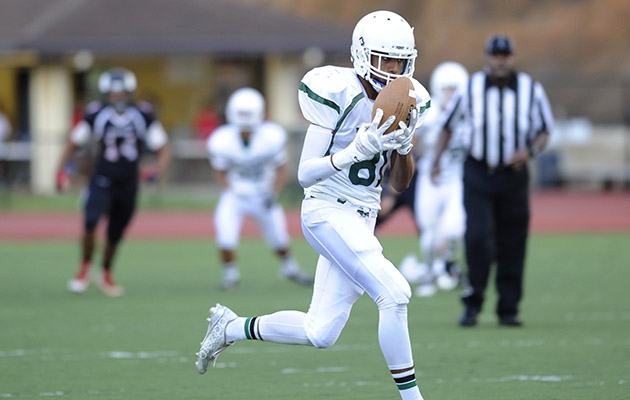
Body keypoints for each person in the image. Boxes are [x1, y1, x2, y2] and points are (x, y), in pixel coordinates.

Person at [194, 11, 431, 400]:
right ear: (360, 55)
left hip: (362, 217)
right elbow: (305, 174)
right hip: (326, 210)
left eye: (398, 61)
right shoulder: (336, 91)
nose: (391, 70)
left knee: (319, 332)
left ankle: (231, 327)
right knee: (395, 293)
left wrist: (404, 149)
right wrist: (355, 150)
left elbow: (401, 184)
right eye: (383, 59)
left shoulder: (409, 100)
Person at [431, 35, 554, 327]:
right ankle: (473, 300)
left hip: (513, 176)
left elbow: (545, 129)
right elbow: (447, 128)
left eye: (505, 55)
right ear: (487, 57)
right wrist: (436, 160)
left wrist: (530, 151)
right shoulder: (470, 88)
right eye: (495, 55)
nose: (500, 61)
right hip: (478, 172)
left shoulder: (530, 89)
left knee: (513, 240)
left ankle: (508, 308)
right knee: (476, 237)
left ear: (512, 58)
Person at [57, 67, 171, 297]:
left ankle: (106, 272)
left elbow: (163, 148)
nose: (118, 98)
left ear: (130, 93)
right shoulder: (96, 114)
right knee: (90, 221)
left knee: (115, 233)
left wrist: (157, 169)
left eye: (122, 94)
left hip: (128, 182)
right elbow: (73, 142)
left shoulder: (142, 115)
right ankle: (84, 269)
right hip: (101, 179)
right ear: (105, 94)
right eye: (113, 94)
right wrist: (61, 170)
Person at [206, 87, 313, 290]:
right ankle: (231, 275)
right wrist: (230, 189)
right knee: (225, 235)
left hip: (263, 193)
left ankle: (290, 268)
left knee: (279, 237)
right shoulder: (223, 140)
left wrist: (274, 192)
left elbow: (282, 168)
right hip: (236, 194)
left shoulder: (270, 137)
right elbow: (219, 171)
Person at [412, 62, 469, 297]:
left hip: (457, 176)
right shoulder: (429, 113)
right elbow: (411, 143)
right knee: (428, 233)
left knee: (455, 228)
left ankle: (450, 268)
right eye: (446, 89)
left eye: (454, 89)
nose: (450, 95)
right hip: (430, 177)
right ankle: (429, 273)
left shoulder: (470, 112)